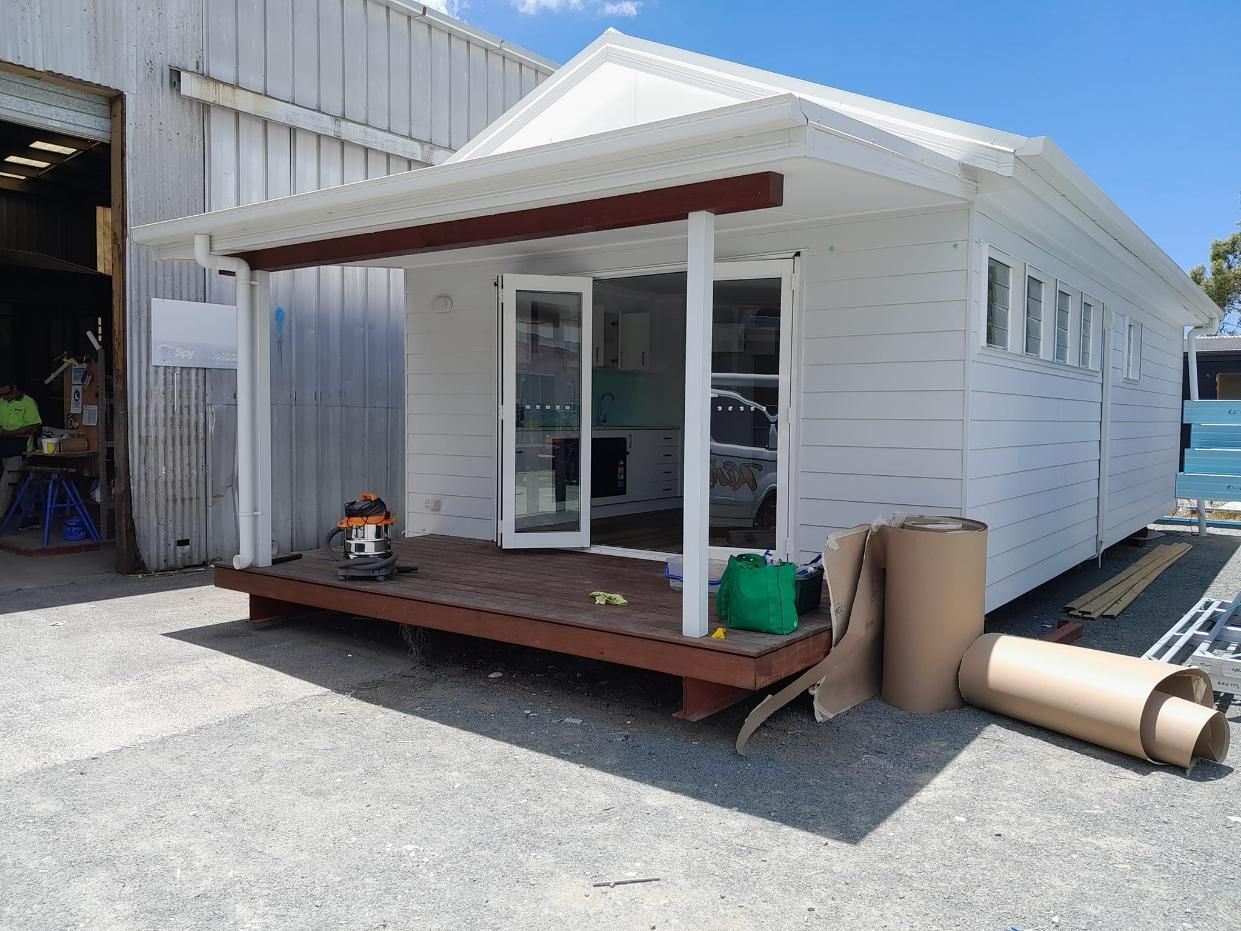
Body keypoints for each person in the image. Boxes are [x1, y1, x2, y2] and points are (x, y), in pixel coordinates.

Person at [0, 375, 42, 527]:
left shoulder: (28, 402)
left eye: (7, 393)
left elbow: (34, 427)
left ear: (15, 389)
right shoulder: (1, 402)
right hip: (4, 449)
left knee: (5, 486)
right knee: (17, 485)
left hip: (21, 451)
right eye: (1, 394)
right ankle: (31, 515)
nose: (4, 397)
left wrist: (8, 433)